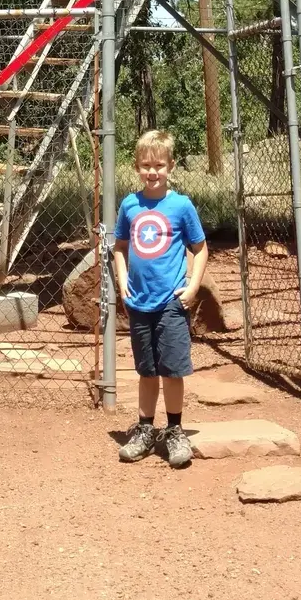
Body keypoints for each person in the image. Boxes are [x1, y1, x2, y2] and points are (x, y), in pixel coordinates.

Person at [110, 128, 208, 467]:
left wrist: (193, 286)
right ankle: (145, 429)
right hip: (139, 300)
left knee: (172, 369)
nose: (153, 172)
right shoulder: (130, 205)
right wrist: (122, 283)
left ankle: (175, 430)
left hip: (171, 301)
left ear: (171, 167)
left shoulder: (180, 205)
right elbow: (120, 247)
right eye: (146, 165)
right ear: (137, 167)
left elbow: (200, 246)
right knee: (146, 370)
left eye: (159, 165)